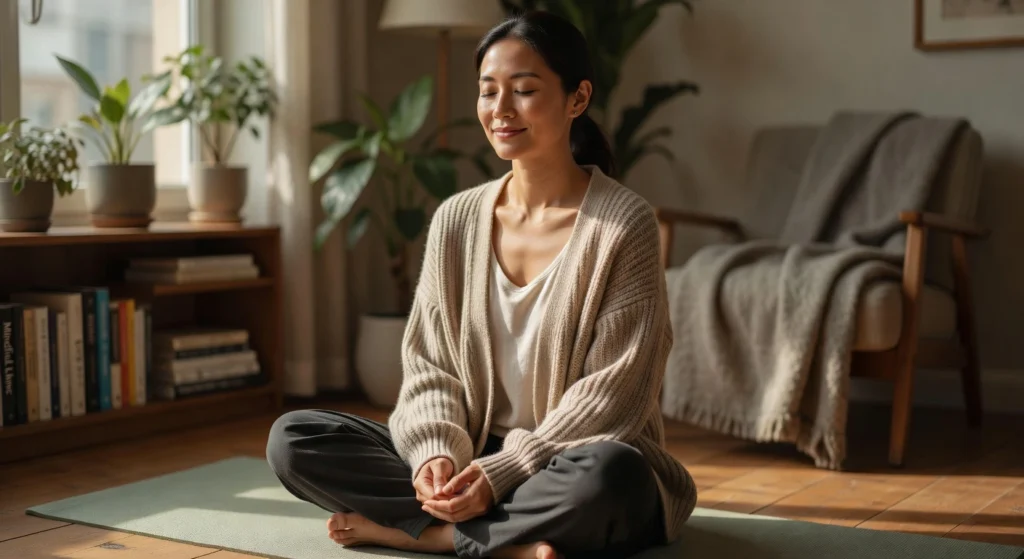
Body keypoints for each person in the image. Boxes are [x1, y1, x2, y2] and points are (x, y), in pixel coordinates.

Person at [266, 10, 697, 559]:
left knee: (612, 477)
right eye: (488, 91)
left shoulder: (624, 225)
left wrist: (506, 471)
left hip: (565, 460)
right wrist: (435, 455)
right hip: (472, 451)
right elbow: (430, 365)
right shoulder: (457, 219)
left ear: (578, 98)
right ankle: (505, 540)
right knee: (294, 439)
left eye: (524, 90)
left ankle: (424, 536)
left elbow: (613, 396)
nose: (501, 110)